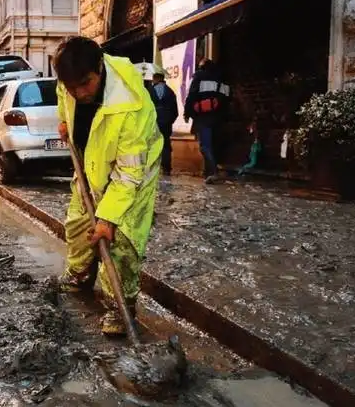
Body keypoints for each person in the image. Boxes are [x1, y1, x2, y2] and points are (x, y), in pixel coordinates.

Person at [54, 37, 163, 336]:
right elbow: (63, 96)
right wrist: (63, 120)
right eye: (72, 86)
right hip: (92, 165)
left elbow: (128, 173)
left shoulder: (130, 106)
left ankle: (119, 306)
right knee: (77, 228)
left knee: (121, 243)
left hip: (134, 174)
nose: (79, 93)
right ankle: (79, 274)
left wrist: (109, 217)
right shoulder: (70, 84)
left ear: (99, 68)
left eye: (85, 84)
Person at [184, 59, 230, 184]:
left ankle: (213, 172)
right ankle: (210, 171)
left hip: (203, 117)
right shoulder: (222, 79)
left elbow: (192, 95)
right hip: (219, 118)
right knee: (214, 144)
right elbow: (227, 99)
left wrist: (187, 113)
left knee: (205, 146)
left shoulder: (199, 77)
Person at [148, 72, 178, 175]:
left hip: (154, 122)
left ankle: (153, 167)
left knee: (153, 144)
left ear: (155, 79)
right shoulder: (170, 92)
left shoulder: (150, 91)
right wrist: (170, 120)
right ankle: (166, 168)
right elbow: (175, 111)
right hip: (166, 123)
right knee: (165, 144)